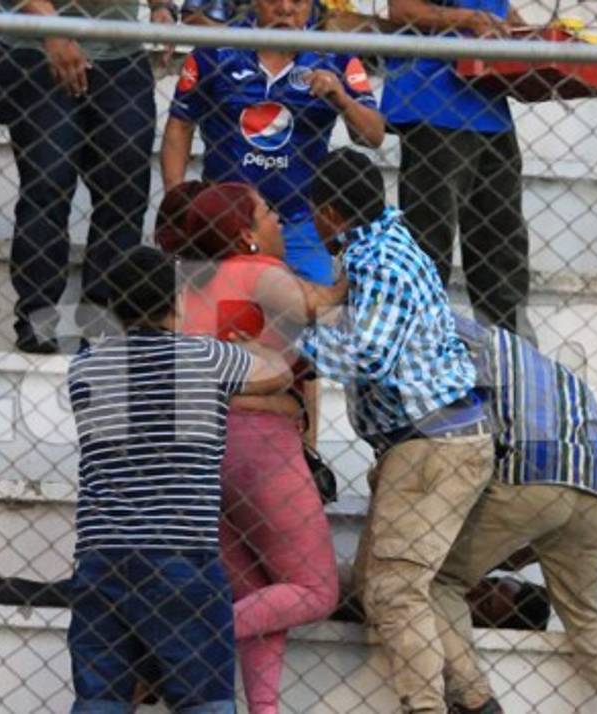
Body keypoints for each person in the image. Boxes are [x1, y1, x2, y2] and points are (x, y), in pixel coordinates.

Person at [303, 148, 493, 713]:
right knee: (384, 582)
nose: (310, 220)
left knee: (393, 591)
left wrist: (290, 338)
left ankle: (428, 707)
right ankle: (478, 705)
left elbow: (370, 357)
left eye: (315, 210)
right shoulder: (379, 244)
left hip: (433, 444)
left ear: (332, 213)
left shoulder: (376, 260)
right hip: (429, 441)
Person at [66, 245, 292, 713]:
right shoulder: (206, 358)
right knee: (203, 698)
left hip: (102, 553)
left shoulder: (86, 366)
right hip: (181, 553)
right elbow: (278, 374)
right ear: (179, 302)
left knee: (100, 697)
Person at [175, 181, 348, 714]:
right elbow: (322, 310)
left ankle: (263, 709)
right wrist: (354, 265)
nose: (279, 218)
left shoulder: (189, 285)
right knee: (316, 590)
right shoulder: (257, 272)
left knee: (257, 591)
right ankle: (173, 645)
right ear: (246, 234)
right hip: (260, 447)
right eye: (268, 212)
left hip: (208, 448)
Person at [431, 315, 597, 714]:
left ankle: (473, 697)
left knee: (436, 577)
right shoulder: (563, 376)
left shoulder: (465, 341)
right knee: (586, 617)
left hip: (535, 473)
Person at [0, 0, 171, 354]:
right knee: (47, 184)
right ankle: (37, 319)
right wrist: (53, 30)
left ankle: (105, 321)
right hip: (38, 48)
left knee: (125, 190)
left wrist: (162, 8)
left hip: (121, 51)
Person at [161, 0, 384, 288]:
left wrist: (341, 100)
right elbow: (180, 124)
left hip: (301, 221)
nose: (285, 8)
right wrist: (176, 204)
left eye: (298, 1)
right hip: (225, 223)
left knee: (312, 320)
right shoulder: (215, 50)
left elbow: (374, 135)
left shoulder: (336, 56)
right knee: (219, 318)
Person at [380, 0, 534, 339]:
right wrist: (471, 20)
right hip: (434, 98)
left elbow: (494, 11)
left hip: (488, 104)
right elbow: (403, 10)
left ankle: (509, 354)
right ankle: (420, 346)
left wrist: (529, 35)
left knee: (502, 244)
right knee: (429, 242)